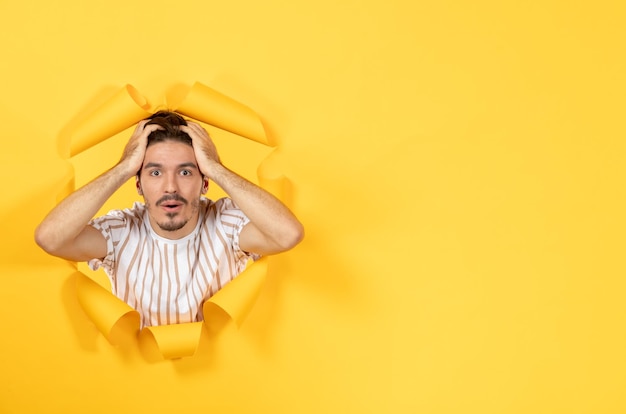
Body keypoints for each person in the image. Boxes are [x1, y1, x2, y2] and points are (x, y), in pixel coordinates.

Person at [35, 111, 304, 327]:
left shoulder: (227, 222)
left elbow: (287, 234)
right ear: (138, 184)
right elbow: (50, 238)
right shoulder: (120, 231)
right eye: (155, 173)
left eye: (186, 172)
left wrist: (217, 167)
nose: (170, 187)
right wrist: (124, 167)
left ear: (205, 182)